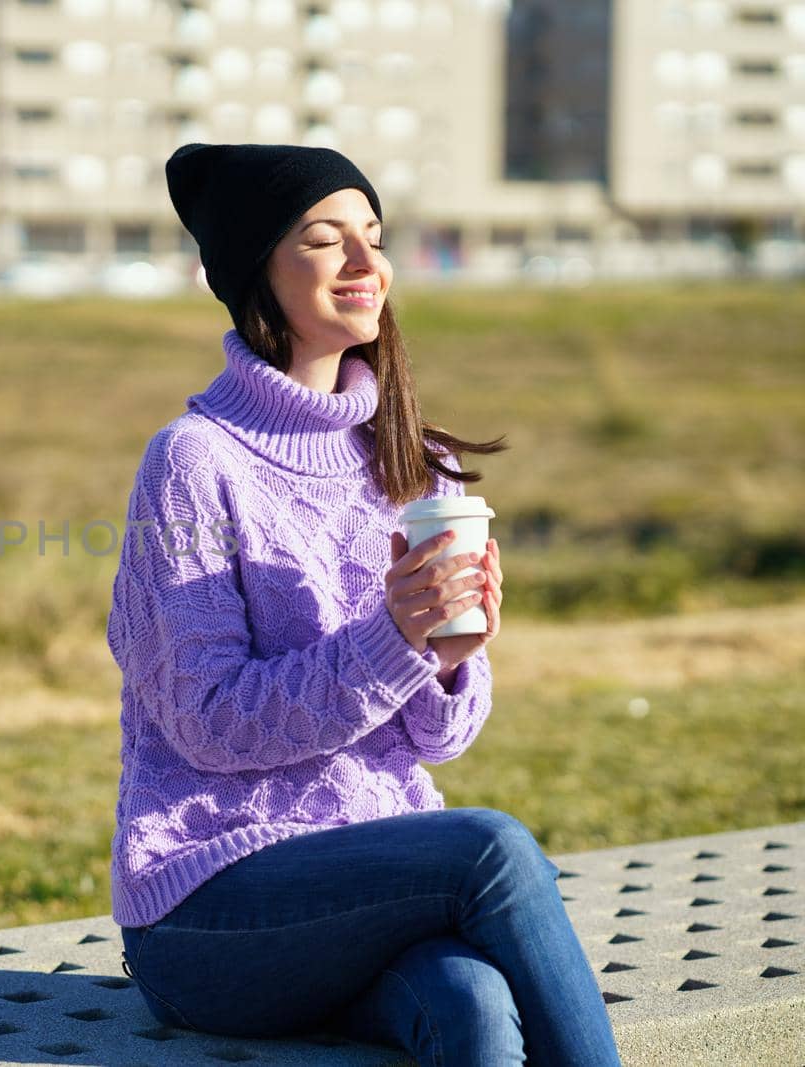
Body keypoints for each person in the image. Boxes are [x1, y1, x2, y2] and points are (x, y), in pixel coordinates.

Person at [105, 143, 623, 1066]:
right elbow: (209, 722)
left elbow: (435, 740)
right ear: (252, 271)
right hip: (209, 907)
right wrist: (392, 637)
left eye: (374, 238)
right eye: (324, 239)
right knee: (492, 849)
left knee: (469, 1006)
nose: (366, 264)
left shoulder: (416, 464)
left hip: (371, 885)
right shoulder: (192, 463)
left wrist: (451, 653)